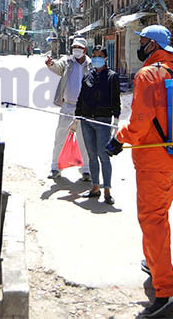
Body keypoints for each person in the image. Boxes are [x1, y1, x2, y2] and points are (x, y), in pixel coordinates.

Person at [105, 25, 173, 317]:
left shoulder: (148, 74)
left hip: (155, 162)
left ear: (152, 45)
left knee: (152, 220)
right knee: (159, 217)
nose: (139, 46)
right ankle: (154, 264)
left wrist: (118, 138)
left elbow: (140, 122)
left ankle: (167, 288)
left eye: (142, 42)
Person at [71, 47, 121, 203]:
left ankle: (107, 190)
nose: (97, 59)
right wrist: (77, 116)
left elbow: (115, 99)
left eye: (100, 56)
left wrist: (116, 120)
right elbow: (81, 97)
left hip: (102, 121)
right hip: (86, 120)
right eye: (94, 56)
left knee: (104, 156)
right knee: (91, 156)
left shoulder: (112, 77)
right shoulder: (87, 75)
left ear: (106, 59)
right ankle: (95, 187)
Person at [45, 37, 90, 180]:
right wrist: (51, 64)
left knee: (84, 138)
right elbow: (57, 67)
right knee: (61, 136)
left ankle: (86, 169)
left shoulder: (90, 65)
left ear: (85, 50)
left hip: (84, 108)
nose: (76, 50)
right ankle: (55, 167)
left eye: (79, 48)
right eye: (74, 47)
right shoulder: (68, 62)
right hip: (68, 105)